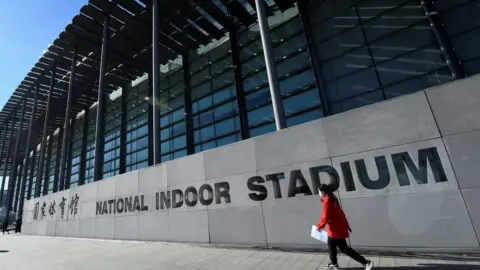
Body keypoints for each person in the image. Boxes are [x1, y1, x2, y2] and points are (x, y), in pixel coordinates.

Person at [317, 184, 373, 270]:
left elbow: (325, 217)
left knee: (344, 248)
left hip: (335, 230)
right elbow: (340, 212)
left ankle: (366, 262)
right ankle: (334, 264)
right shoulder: (332, 197)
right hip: (335, 228)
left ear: (323, 192)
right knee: (331, 246)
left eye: (319, 192)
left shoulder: (327, 200)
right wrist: (346, 224)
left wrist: (319, 227)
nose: (319, 193)